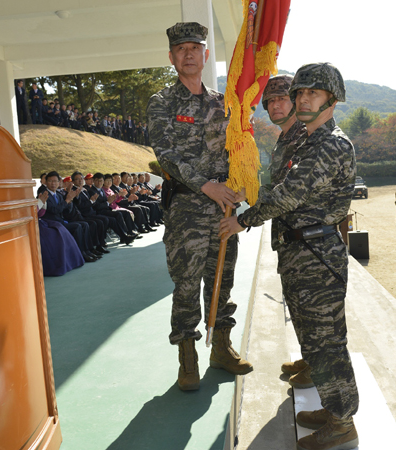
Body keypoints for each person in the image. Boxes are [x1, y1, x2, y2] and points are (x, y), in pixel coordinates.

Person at [219, 62, 359, 450]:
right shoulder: (307, 142)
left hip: (317, 252)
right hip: (301, 250)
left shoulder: (331, 143)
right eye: (300, 93)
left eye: (311, 93)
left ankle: (343, 420)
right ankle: (334, 409)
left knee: (328, 343)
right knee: (316, 342)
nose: (302, 99)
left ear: (332, 100)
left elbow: (288, 194)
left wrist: (243, 222)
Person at [147, 22, 253, 392]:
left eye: (196, 47)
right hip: (187, 210)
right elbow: (167, 154)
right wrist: (207, 185)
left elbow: (240, 149)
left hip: (223, 211)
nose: (189, 53)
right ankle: (187, 357)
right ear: (172, 57)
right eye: (182, 49)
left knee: (222, 281)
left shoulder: (225, 104)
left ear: (206, 55)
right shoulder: (162, 102)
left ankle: (221, 348)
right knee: (187, 284)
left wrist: (239, 185)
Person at [256, 74, 312, 389]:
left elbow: (289, 193)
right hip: (290, 237)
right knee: (296, 302)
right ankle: (311, 356)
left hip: (306, 240)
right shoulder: (285, 138)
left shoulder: (304, 136)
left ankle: (319, 365)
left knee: (308, 305)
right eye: (270, 101)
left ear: (294, 102)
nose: (275, 105)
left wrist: (246, 217)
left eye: (282, 99)